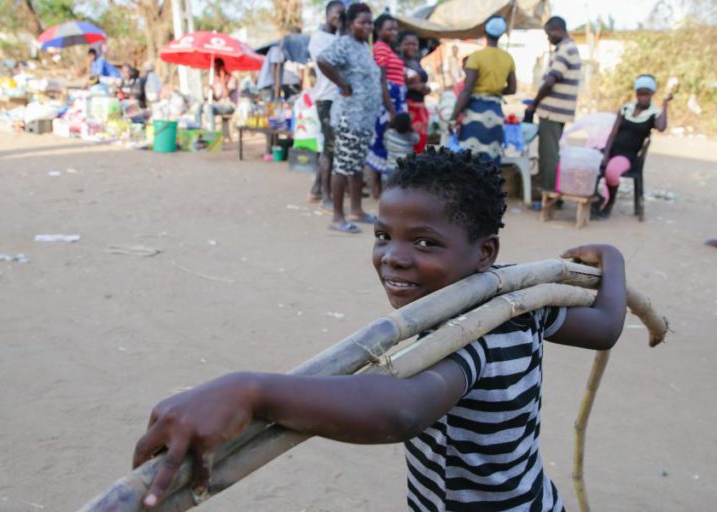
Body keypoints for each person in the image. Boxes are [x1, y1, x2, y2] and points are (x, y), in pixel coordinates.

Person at [131, 148, 628, 511]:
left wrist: (250, 391)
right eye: (384, 235)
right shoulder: (522, 294)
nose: (393, 256)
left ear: (484, 252)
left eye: (425, 242)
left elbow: (402, 409)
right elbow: (605, 326)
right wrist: (615, 262)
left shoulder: (474, 327)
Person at [317, 3, 382, 234]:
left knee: (356, 166)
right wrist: (342, 85)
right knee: (343, 167)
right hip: (349, 118)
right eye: (362, 22)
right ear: (351, 23)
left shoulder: (363, 46)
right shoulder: (344, 43)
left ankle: (356, 210)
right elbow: (322, 60)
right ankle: (337, 217)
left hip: (363, 119)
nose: (368, 26)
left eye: (370, 23)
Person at [594, 74, 673, 219]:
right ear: (636, 93)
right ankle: (596, 199)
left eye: (646, 94)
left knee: (611, 172)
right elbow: (613, 134)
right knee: (587, 165)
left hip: (628, 155)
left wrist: (665, 105)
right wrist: (606, 154)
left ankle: (609, 203)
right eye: (640, 94)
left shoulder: (653, 113)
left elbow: (661, 127)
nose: (643, 98)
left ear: (652, 94)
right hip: (612, 150)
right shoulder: (626, 109)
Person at [526, 16, 581, 200]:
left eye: (548, 34)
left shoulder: (566, 49)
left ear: (557, 30)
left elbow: (551, 81)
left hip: (553, 112)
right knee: (549, 153)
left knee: (548, 156)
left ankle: (548, 196)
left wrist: (534, 103)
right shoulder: (567, 48)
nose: (548, 38)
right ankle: (549, 193)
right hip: (557, 111)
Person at [450, 16, 516, 166]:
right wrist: (495, 90)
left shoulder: (476, 57)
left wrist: (453, 118)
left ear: (485, 33)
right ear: (501, 34)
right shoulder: (508, 58)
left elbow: (467, 90)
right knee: (491, 160)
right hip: (496, 113)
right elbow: (512, 89)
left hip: (475, 112)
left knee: (469, 161)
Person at [307, 0, 345, 209]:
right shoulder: (318, 39)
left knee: (332, 147)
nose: (339, 16)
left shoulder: (340, 35)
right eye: (336, 12)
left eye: (342, 13)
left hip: (340, 99)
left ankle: (316, 189)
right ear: (327, 13)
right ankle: (325, 196)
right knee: (329, 147)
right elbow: (330, 64)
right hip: (326, 98)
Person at [365, 12, 407, 199]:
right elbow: (381, 79)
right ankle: (377, 189)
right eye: (389, 29)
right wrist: (391, 109)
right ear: (378, 30)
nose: (394, 32)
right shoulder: (381, 48)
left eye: (395, 29)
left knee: (384, 141)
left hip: (393, 100)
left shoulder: (386, 48)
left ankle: (380, 189)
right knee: (382, 142)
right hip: (388, 102)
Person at [399, 30, 431, 154]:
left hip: (420, 108)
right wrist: (413, 87)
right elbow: (392, 85)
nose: (412, 47)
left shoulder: (416, 62)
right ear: (400, 45)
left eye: (414, 44)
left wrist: (425, 89)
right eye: (408, 44)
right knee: (407, 145)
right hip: (407, 109)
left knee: (419, 145)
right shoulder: (398, 62)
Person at [204, 58, 238, 131]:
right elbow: (217, 98)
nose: (215, 70)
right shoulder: (216, 79)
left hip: (229, 105)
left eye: (217, 67)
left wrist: (223, 80)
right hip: (218, 104)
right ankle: (197, 131)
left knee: (208, 107)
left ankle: (211, 132)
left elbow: (226, 94)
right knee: (199, 107)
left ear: (222, 67)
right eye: (214, 68)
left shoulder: (231, 78)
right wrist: (210, 91)